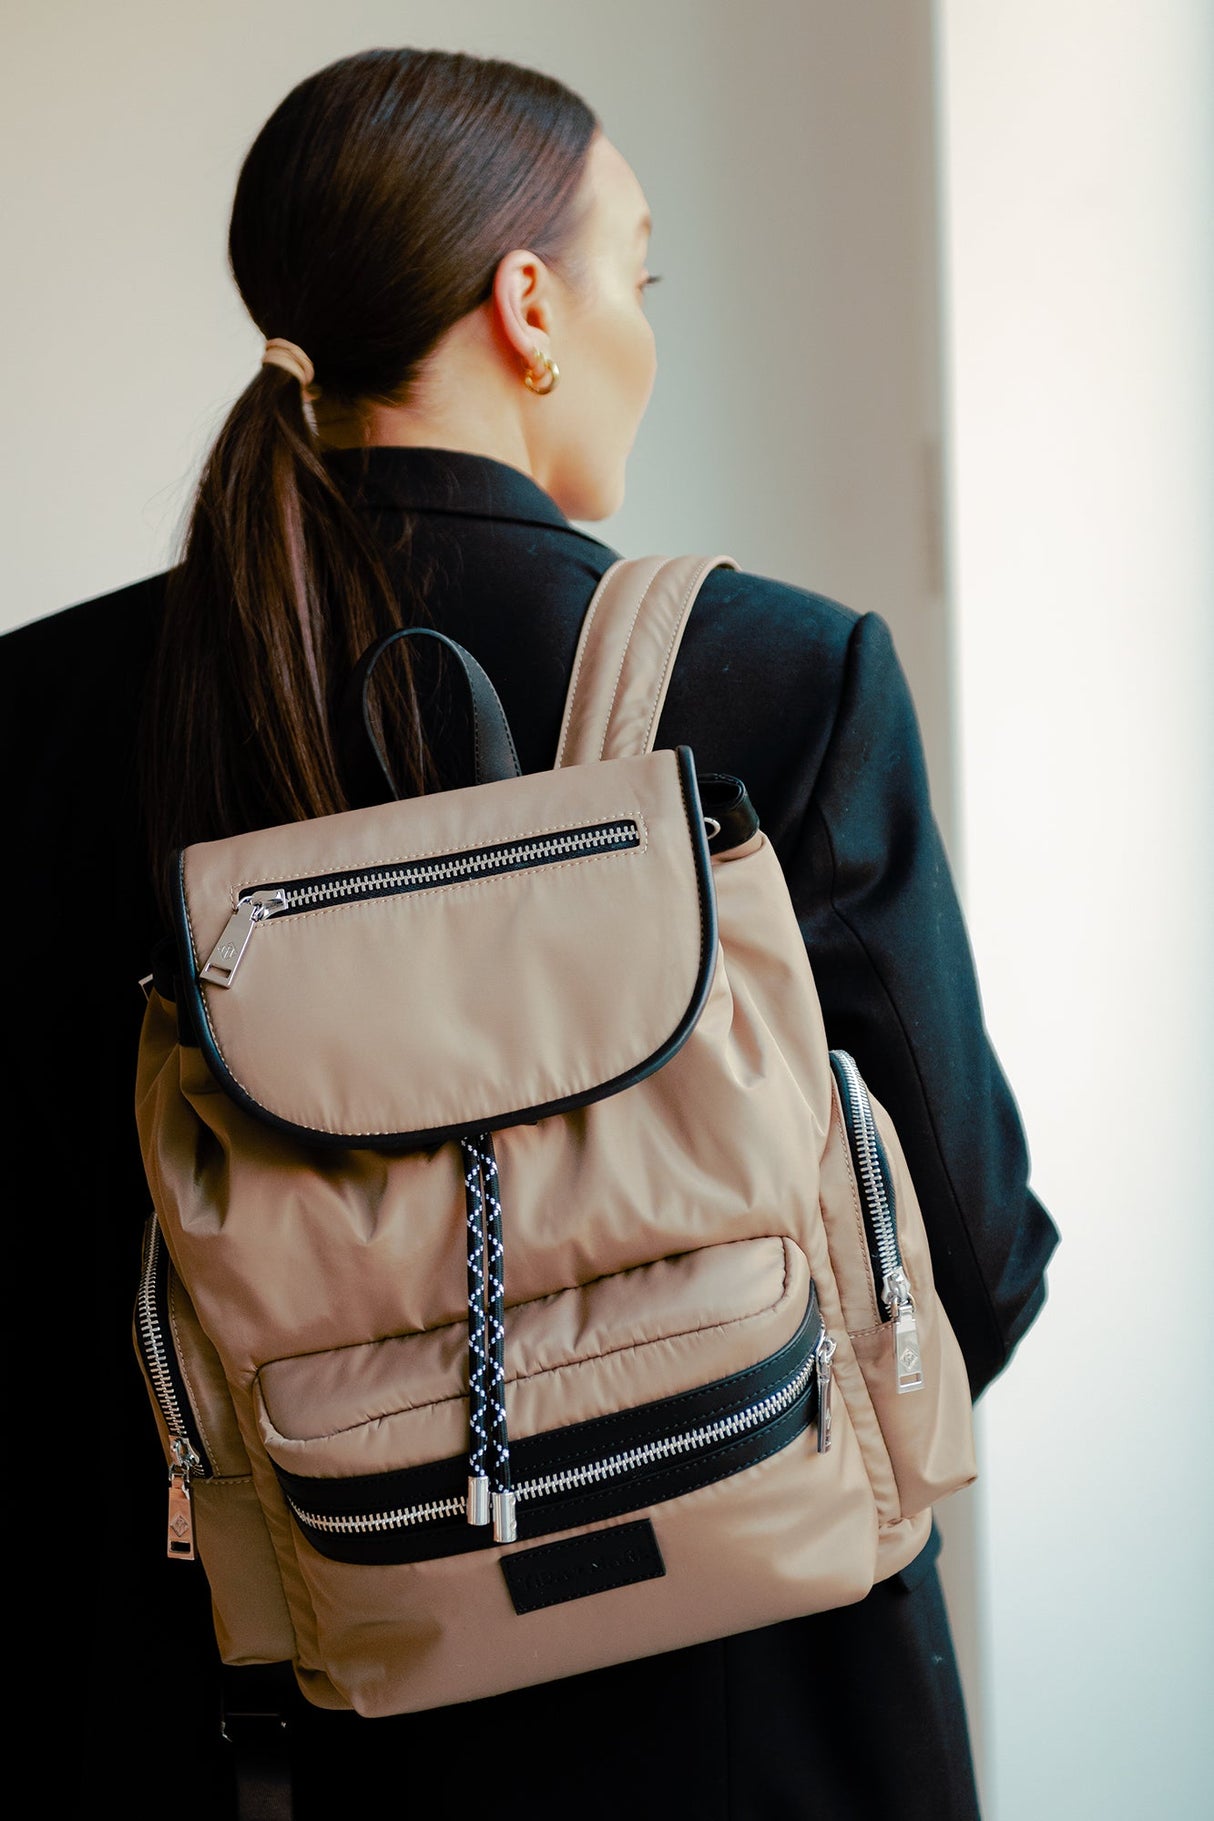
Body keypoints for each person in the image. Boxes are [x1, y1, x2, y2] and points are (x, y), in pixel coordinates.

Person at [2, 46, 1057, 1821]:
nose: (645, 327)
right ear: (527, 306)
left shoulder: (42, 716)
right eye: (636, 274)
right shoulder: (780, 678)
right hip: (746, 1721)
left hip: (253, 1732)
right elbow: (965, 1266)